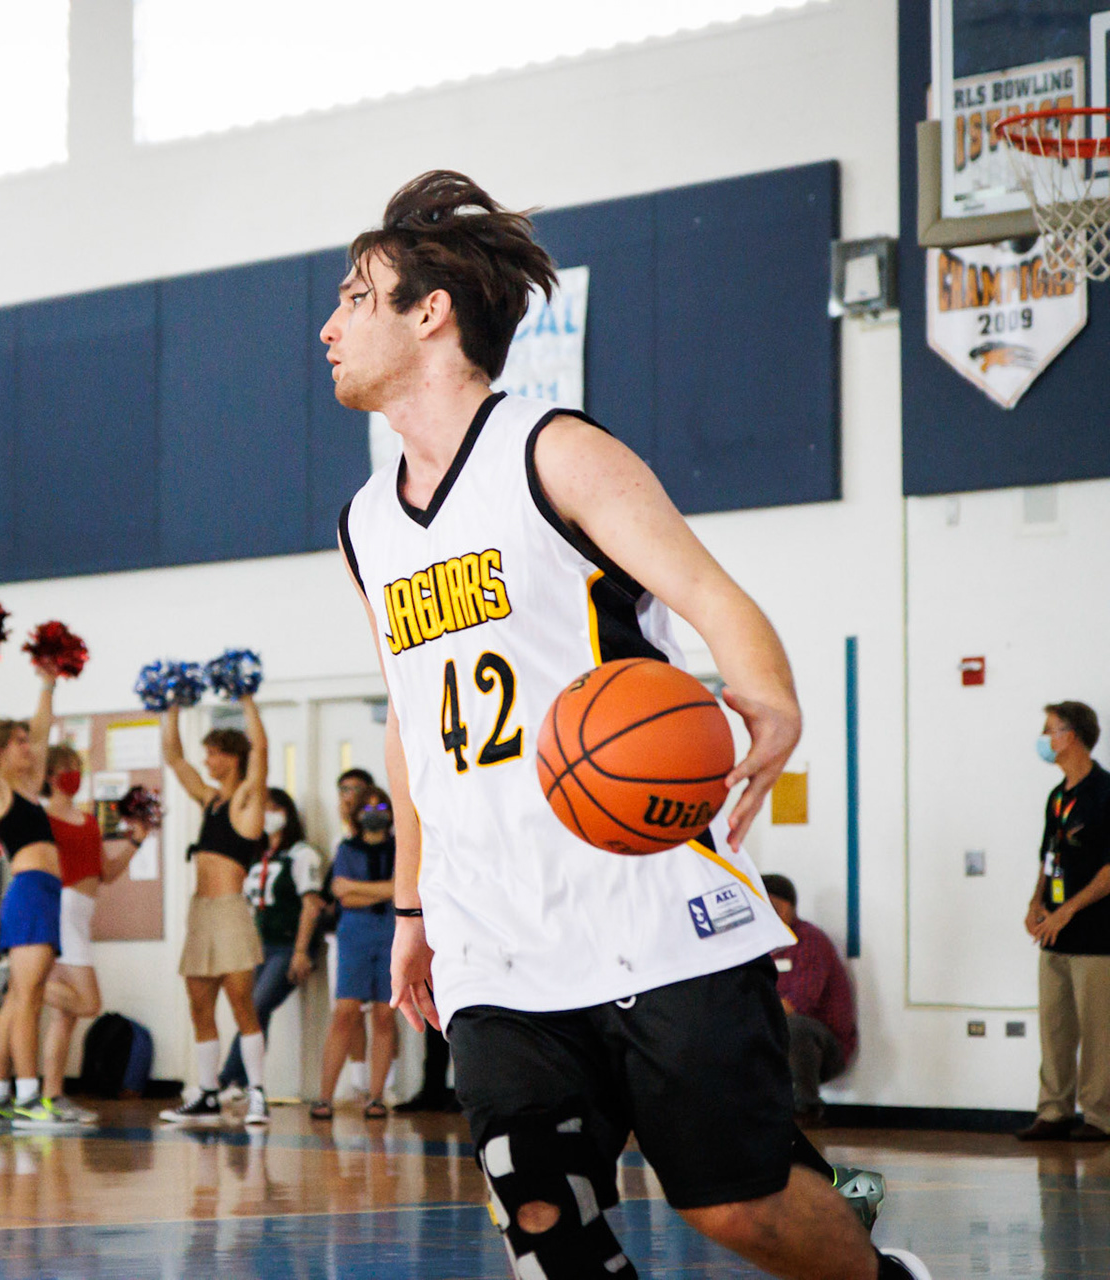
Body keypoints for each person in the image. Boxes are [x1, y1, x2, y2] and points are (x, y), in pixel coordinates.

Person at [327, 171, 921, 1279]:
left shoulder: (551, 451)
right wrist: (412, 903)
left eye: (356, 298)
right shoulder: (367, 524)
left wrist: (770, 695)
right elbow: (412, 723)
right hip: (491, 928)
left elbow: (711, 596)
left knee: (737, 1206)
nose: (330, 326)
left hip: (647, 897)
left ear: (431, 312)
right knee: (539, 1212)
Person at [157, 698, 272, 1128]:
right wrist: (170, 708)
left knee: (242, 1003)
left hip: (229, 913)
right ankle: (207, 1093)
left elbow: (261, 751)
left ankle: (257, 1092)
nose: (206, 761)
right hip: (201, 913)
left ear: (232, 757)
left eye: (213, 753)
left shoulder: (247, 800)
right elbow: (174, 757)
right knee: (199, 1005)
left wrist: (246, 699)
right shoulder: (210, 801)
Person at [0, 654, 73, 1131]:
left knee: (18, 999)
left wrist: (48, 684)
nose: (28, 745)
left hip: (45, 893)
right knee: (29, 999)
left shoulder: (31, 786)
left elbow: (43, 727)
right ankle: (29, 1097)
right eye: (16, 741)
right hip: (30, 892)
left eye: (26, 740)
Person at [1019, 700, 1110, 1143]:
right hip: (1054, 934)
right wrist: (1036, 902)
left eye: (1049, 729)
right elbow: (1049, 856)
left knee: (1098, 1032)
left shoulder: (1105, 793)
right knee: (1054, 1027)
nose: (1044, 738)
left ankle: (1099, 1116)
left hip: (1096, 937)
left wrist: (1068, 910)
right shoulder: (1058, 797)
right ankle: (1054, 1111)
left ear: (1071, 736)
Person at [39, 742, 133, 1122]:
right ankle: (19, 984)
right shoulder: (44, 820)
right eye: (65, 768)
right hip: (62, 911)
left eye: (76, 766)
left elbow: (106, 872)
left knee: (66, 1016)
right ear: (49, 776)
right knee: (90, 1004)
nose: (73, 774)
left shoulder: (89, 820)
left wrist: (136, 840)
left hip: (80, 916)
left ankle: (52, 1096)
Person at [220, 788, 324, 1095]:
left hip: (287, 945)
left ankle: (230, 1079)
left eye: (272, 807)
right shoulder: (258, 855)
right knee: (249, 1011)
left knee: (256, 1006)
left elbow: (311, 904)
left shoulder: (302, 854)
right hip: (258, 945)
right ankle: (244, 1082)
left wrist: (301, 951)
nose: (267, 815)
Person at [311, 786, 399, 1119]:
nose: (375, 814)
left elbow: (400, 889)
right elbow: (342, 895)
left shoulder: (401, 847)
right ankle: (325, 1097)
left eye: (381, 807)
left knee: (385, 1015)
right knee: (345, 1013)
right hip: (354, 935)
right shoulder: (346, 849)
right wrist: (385, 891)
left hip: (391, 933)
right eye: (367, 808)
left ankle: (376, 1097)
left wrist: (359, 889)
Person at [762, 875, 857, 1126]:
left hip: (824, 1046)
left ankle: (805, 1108)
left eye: (770, 905)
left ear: (788, 908)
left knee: (794, 1026)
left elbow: (800, 1003)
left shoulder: (809, 941)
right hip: (773, 1036)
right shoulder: (757, 944)